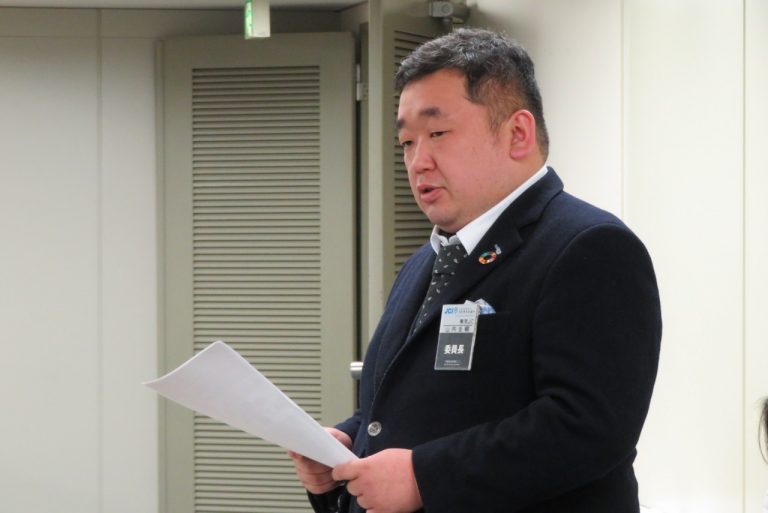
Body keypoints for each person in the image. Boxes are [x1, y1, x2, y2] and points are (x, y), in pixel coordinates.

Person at [290, 27, 662, 513]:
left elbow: (587, 427)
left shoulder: (589, 246)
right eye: (406, 142)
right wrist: (345, 450)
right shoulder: (425, 263)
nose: (417, 162)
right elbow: (406, 412)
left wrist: (424, 478)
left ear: (517, 134)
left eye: (437, 134)